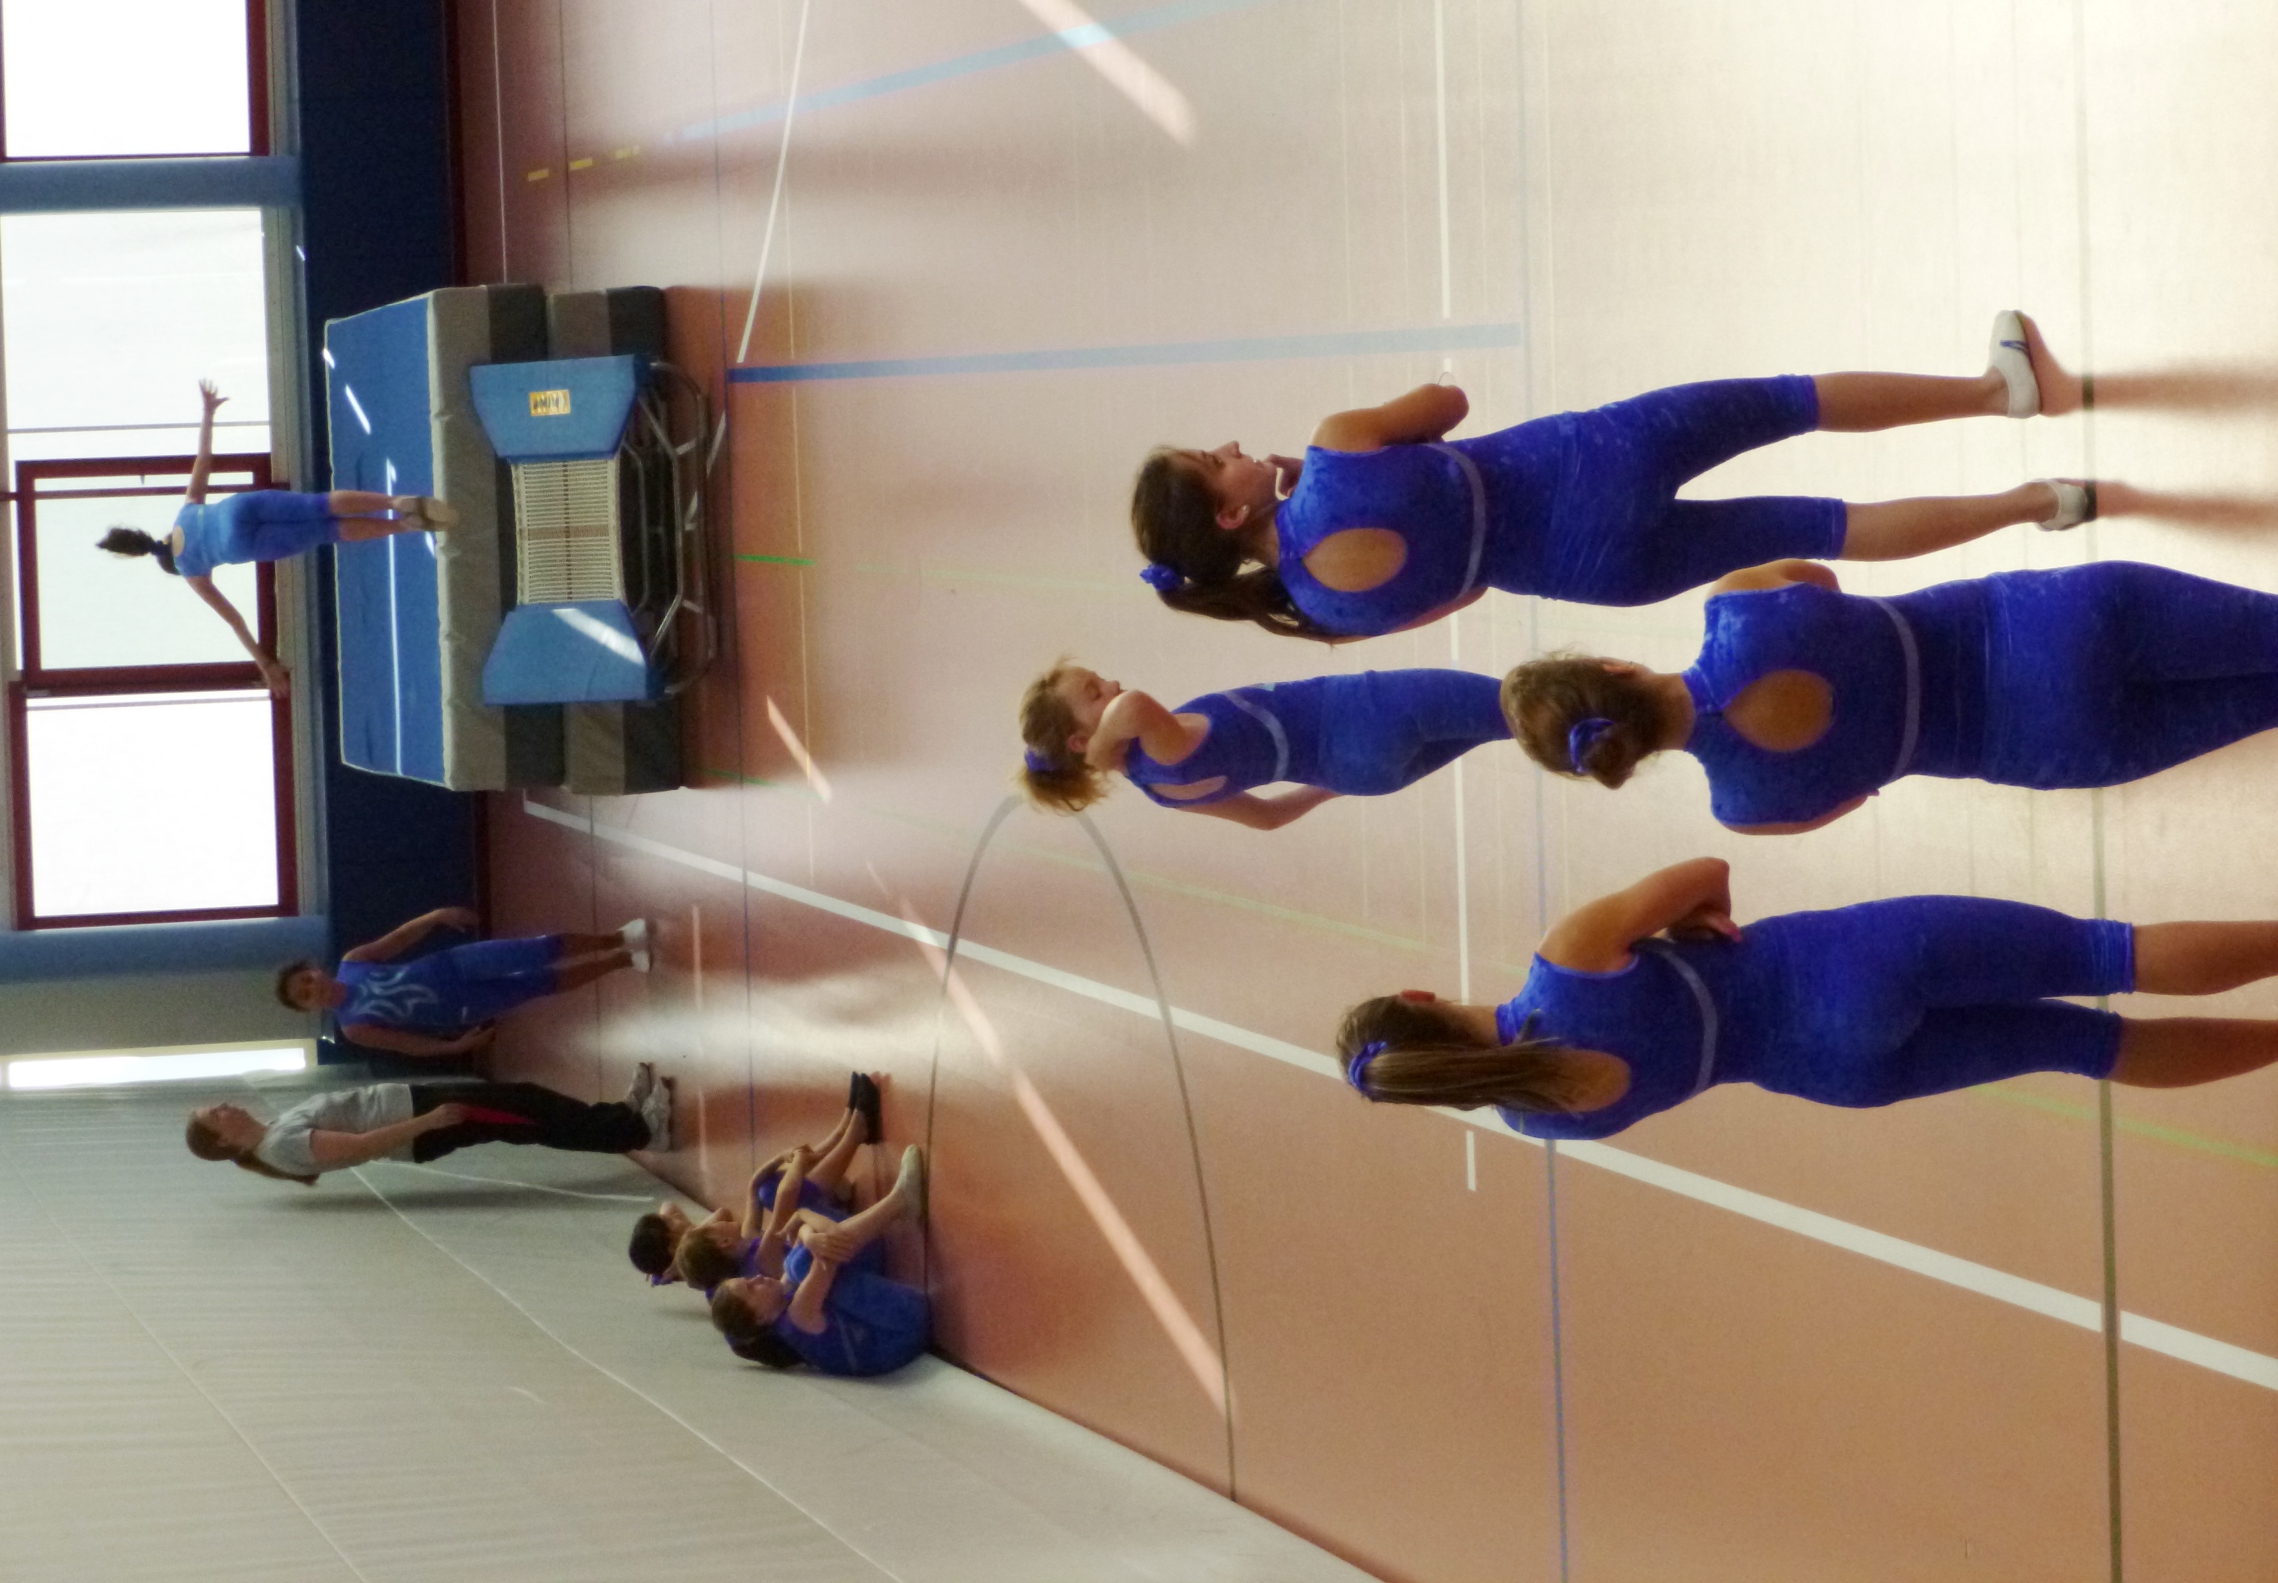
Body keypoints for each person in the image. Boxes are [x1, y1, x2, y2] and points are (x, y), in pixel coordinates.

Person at [1131, 312, 2096, 638]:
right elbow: (1448, 404)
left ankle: (2038, 504)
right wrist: (1313, 464)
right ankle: (1993, 391)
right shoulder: (1335, 449)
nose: (1231, 446)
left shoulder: (1323, 609)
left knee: (1823, 525)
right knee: (1789, 401)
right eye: (1216, 462)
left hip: (1595, 570)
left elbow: (1460, 594)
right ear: (1226, 515)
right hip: (1592, 460)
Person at [1336, 856, 2278, 1141]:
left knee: (2085, 1047)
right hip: (1836, 967)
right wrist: (1695, 921)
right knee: (2100, 951)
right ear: (1420, 994)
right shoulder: (1566, 962)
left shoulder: (1541, 1118)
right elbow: (1706, 872)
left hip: (1830, 1071)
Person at [1501, 557, 2278, 833]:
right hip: (2053, 624)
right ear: (1615, 667)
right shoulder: (1736, 604)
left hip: (2051, 743)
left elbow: (1854, 796)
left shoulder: (1747, 808)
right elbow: (1824, 582)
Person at [95, 379, 458, 695]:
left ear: (171, 566)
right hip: (241, 507)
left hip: (242, 545)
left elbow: (234, 620)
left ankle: (404, 526)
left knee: (327, 530)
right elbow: (204, 458)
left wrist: (265, 664)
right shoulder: (185, 512)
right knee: (319, 505)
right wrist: (207, 413)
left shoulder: (191, 571)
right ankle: (395, 501)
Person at [1017, 662, 1507, 826]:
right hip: (1364, 714)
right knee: (1523, 703)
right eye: (1094, 692)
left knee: (1520, 722)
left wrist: (1334, 785)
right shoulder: (1157, 749)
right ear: (1079, 741)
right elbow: (1134, 707)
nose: (1112, 684)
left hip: (1365, 773)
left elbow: (1267, 818)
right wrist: (1102, 748)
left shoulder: (1159, 789)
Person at [186, 1062, 675, 1185]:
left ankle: (622, 1116)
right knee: (527, 1114)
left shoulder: (275, 1131)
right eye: (216, 1114)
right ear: (223, 1140)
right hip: (419, 1120)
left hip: (414, 1107)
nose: (225, 1105)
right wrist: (431, 1120)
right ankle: (636, 1132)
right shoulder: (282, 1147)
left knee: (526, 1105)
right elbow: (360, 1145)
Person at [276, 909, 650, 1059]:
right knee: (540, 984)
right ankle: (620, 961)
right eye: (304, 996)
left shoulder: (354, 961)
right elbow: (407, 1044)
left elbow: (400, 939)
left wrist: (436, 917)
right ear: (309, 1008)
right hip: (463, 1007)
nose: (312, 988)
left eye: (307, 980)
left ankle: (614, 939)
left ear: (314, 970)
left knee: (539, 949)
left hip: (456, 964)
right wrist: (454, 1046)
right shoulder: (354, 1028)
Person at [649, 1074, 885, 1289]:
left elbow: (753, 1187)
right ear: (723, 1242)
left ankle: (845, 1132)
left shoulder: (747, 1247)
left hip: (847, 1249)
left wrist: (780, 1159)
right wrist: (798, 1161)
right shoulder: (763, 1258)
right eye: (711, 1227)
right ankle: (855, 1133)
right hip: (859, 1250)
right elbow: (787, 1197)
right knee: (789, 1195)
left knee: (766, 1189)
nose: (716, 1222)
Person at [710, 1145, 930, 1375]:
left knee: (797, 1264)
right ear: (761, 1317)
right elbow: (831, 1239)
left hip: (898, 1325)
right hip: (907, 1325)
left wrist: (806, 1233)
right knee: (805, 1262)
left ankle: (899, 1203)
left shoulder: (784, 1305)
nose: (756, 1278)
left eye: (748, 1279)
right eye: (751, 1288)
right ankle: (901, 1200)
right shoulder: (798, 1315)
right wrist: (802, 1216)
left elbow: (804, 1241)